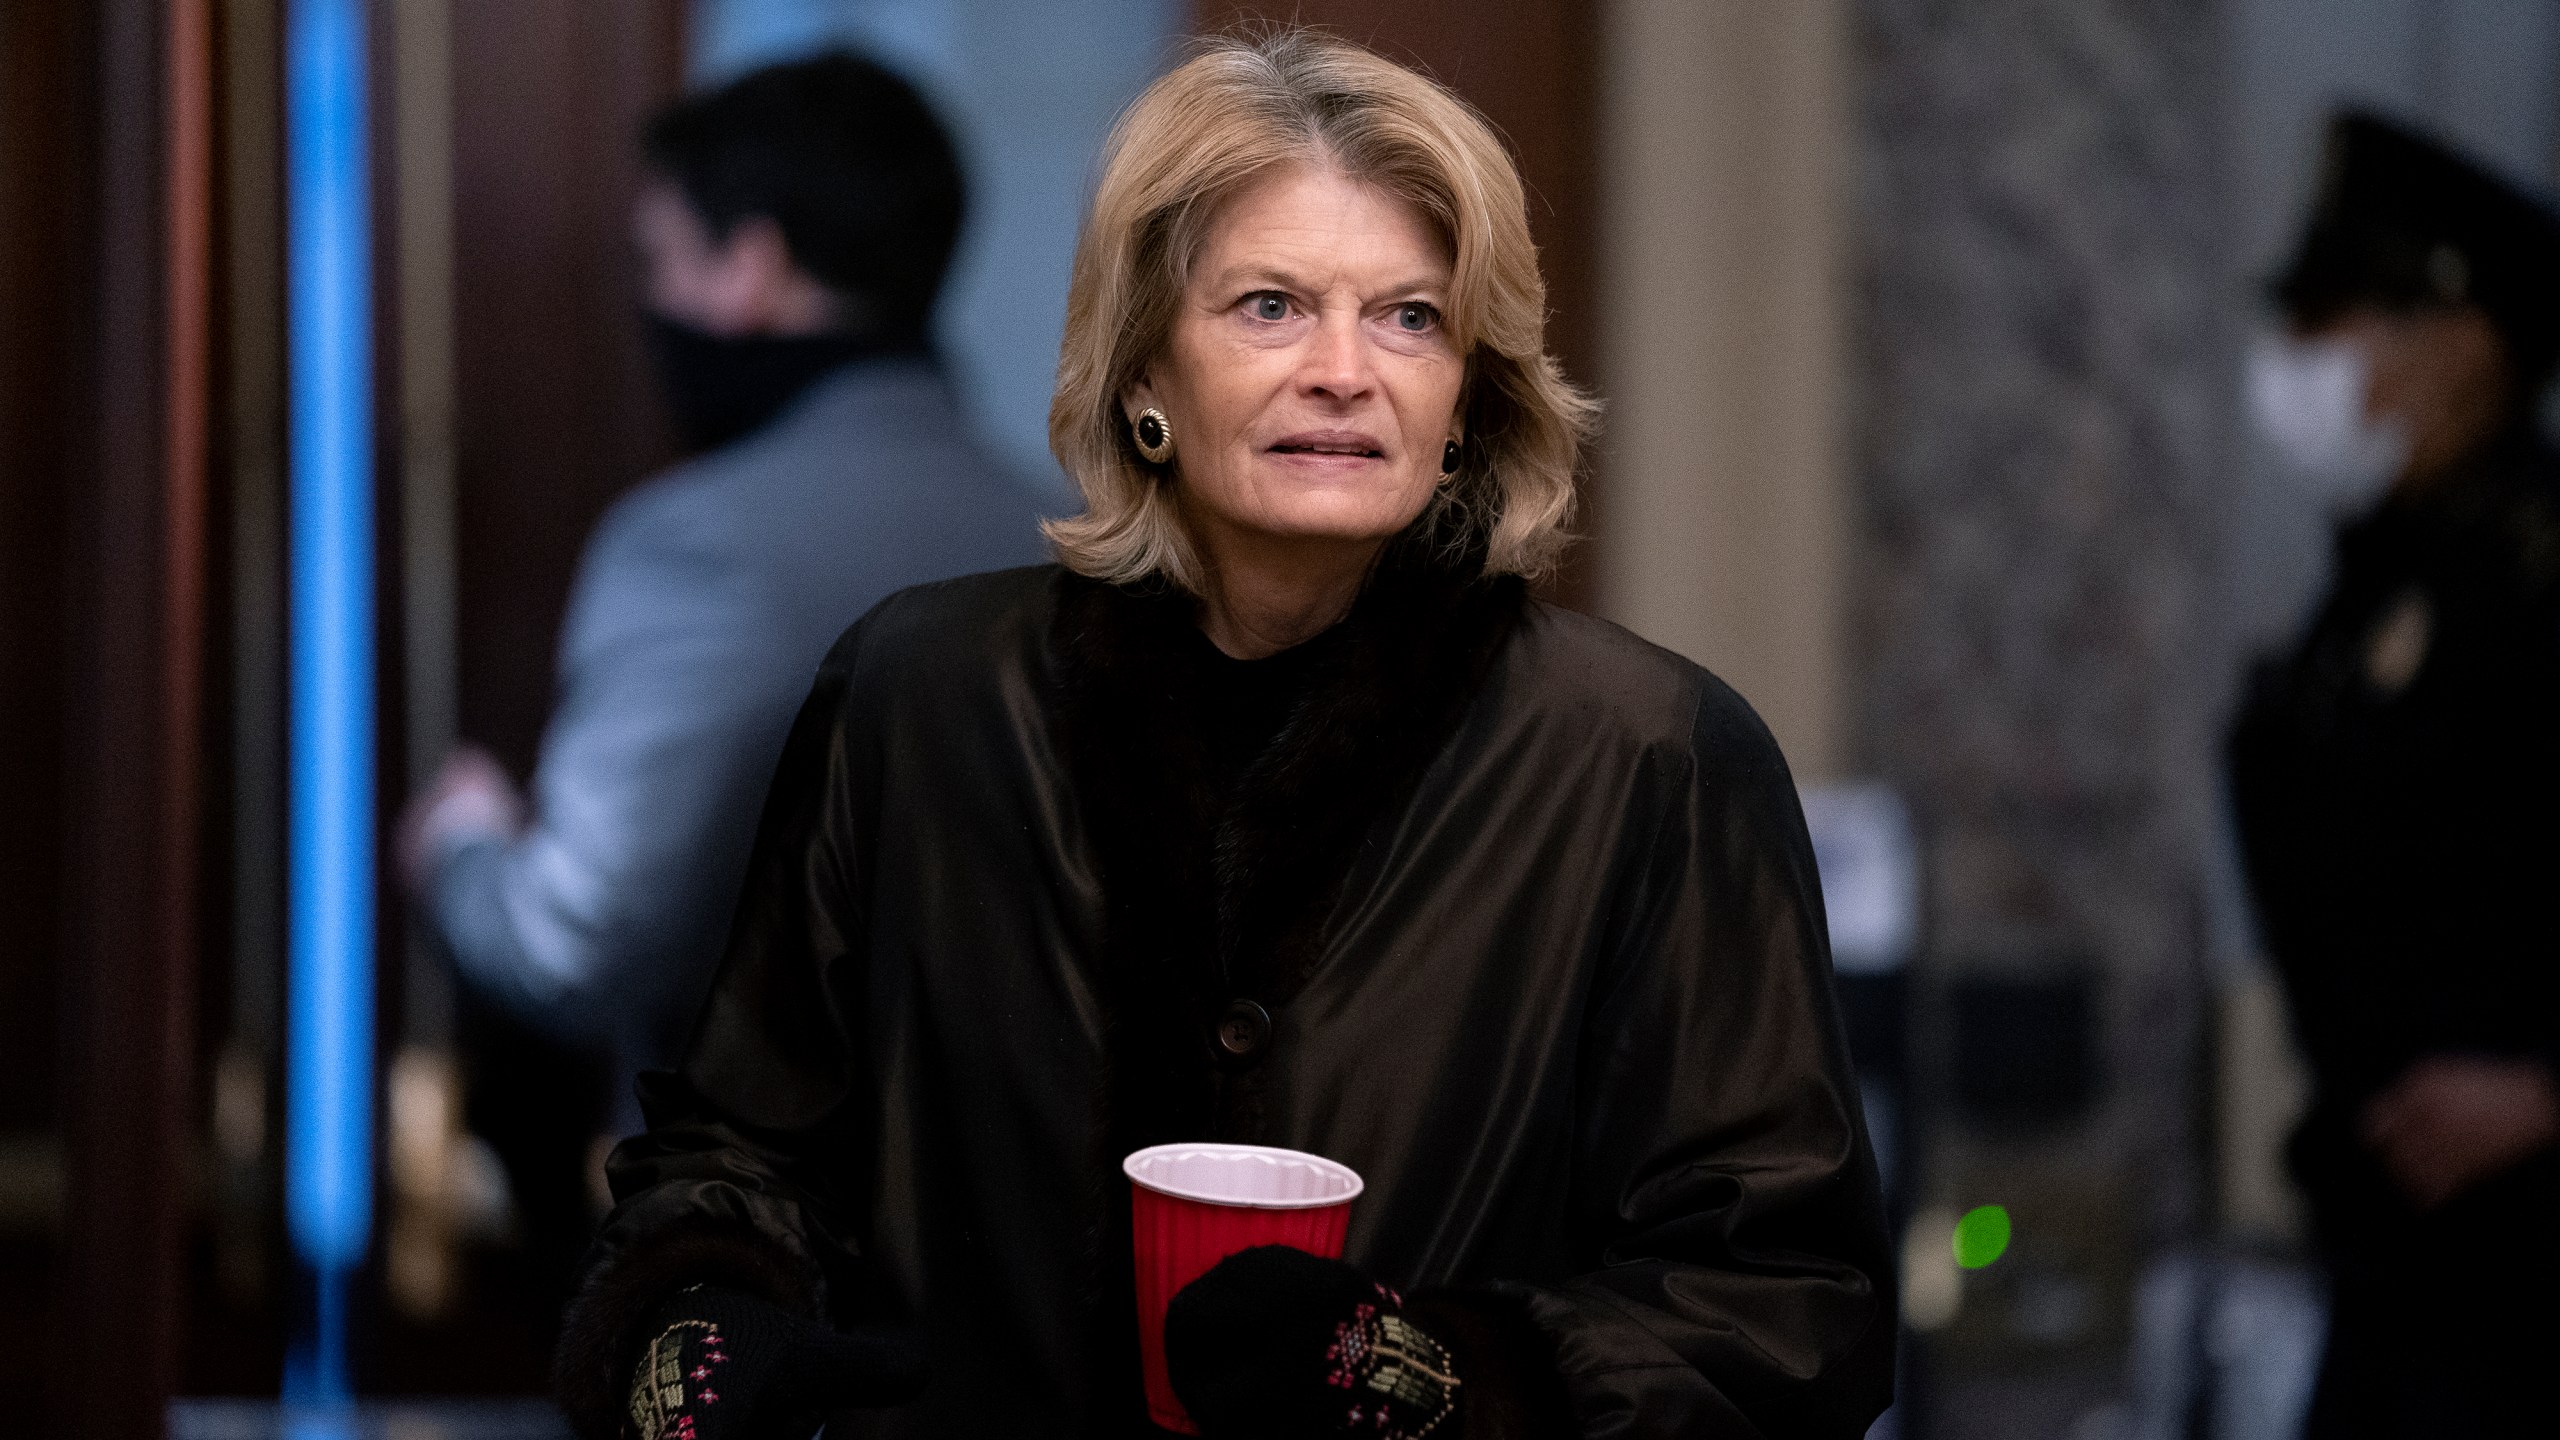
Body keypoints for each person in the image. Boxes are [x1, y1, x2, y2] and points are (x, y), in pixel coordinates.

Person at [556, 30, 1894, 1440]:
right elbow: (739, 1156)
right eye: (1269, 306)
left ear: (1467, 401)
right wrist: (690, 1345)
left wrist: (1429, 1381)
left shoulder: (1649, 758)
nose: (1343, 370)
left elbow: (1790, 1306)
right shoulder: (919, 696)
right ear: (1143, 372)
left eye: (1410, 318)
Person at [397, 53, 1050, 1243]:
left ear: (751, 268)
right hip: (1025, 1264)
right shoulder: (1063, 538)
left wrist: (461, 848)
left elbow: (577, 941)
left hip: (754, 1275)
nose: (646, 301)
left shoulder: (696, 546)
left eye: (658, 261)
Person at [2231, 110, 2560, 1439]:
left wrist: (2548, 1094)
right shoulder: (2382, 579)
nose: (2303, 364)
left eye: (2339, 322)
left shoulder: (2533, 581)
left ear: (2464, 347)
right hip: (2401, 1262)